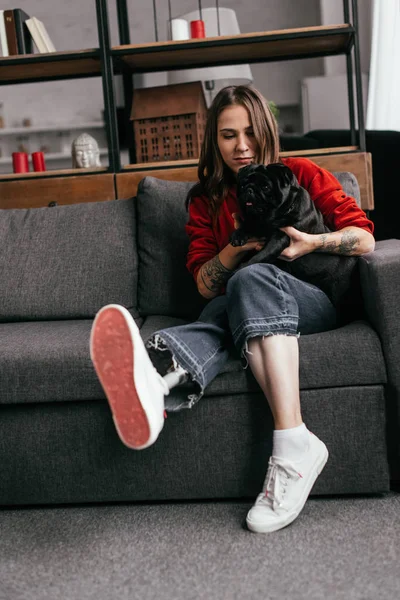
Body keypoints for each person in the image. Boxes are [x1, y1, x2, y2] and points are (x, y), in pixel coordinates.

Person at [90, 85, 375, 534]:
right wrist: (236, 246)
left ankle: (168, 373)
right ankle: (160, 381)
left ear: (265, 132)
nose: (241, 146)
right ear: (214, 142)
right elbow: (204, 285)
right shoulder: (207, 201)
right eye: (227, 135)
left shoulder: (299, 172)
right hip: (241, 302)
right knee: (233, 296)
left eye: (249, 133)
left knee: (248, 283)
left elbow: (364, 238)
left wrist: (311, 243)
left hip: (313, 303)